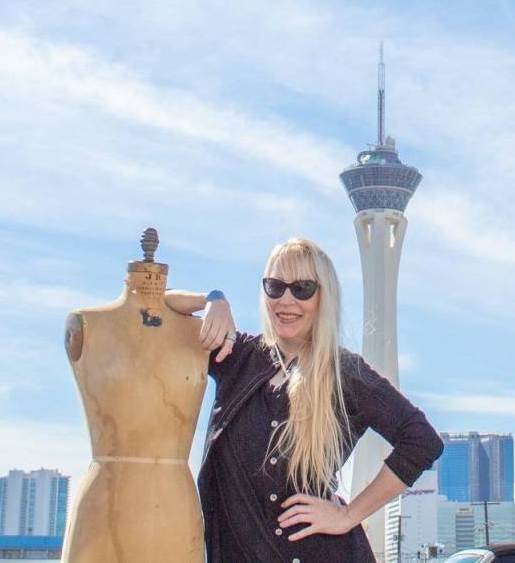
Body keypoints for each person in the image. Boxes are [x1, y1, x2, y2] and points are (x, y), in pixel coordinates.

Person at [165, 237, 443, 562]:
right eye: (275, 286)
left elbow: (422, 440)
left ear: (323, 296)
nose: (287, 300)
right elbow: (153, 307)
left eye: (302, 289)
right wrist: (212, 300)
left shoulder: (345, 374)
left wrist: (348, 515)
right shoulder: (235, 355)